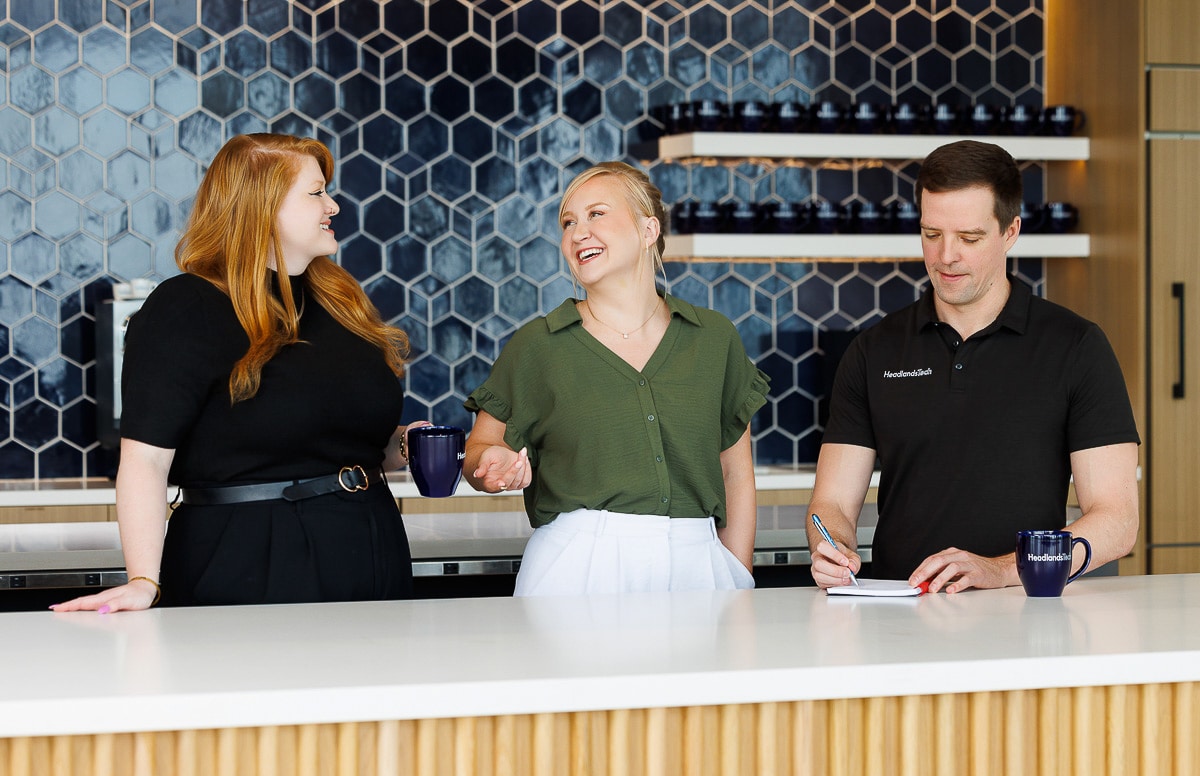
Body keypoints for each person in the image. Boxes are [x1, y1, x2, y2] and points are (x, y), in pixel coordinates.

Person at [52, 133, 428, 612]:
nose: (332, 205)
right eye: (316, 192)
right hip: (251, 556)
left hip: (372, 547)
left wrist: (405, 443)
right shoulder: (186, 307)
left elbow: (338, 442)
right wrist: (143, 580)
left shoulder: (340, 303)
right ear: (260, 206)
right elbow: (146, 461)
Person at [807, 140, 1139, 594]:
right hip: (900, 614)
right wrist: (831, 547)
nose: (946, 256)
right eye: (932, 234)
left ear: (1010, 231)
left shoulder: (1076, 346)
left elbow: (1117, 521)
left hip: (1026, 609)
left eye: (969, 238)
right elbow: (832, 503)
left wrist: (1000, 570)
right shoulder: (873, 351)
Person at [462, 161, 769, 596]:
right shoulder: (539, 345)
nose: (578, 233)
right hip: (579, 566)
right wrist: (489, 465)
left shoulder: (714, 338)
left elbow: (735, 471)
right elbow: (479, 451)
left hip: (700, 564)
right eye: (568, 222)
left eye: (596, 214)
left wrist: (738, 573)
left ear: (648, 230)